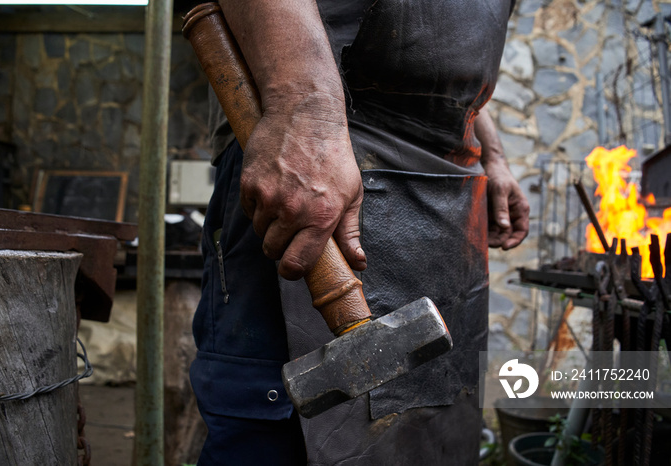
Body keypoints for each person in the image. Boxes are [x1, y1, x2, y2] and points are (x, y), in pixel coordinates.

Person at [189, 0, 530, 464]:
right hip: (316, 164)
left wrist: (492, 155)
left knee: (433, 430)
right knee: (277, 442)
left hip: (449, 195)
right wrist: (303, 113)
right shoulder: (309, 132)